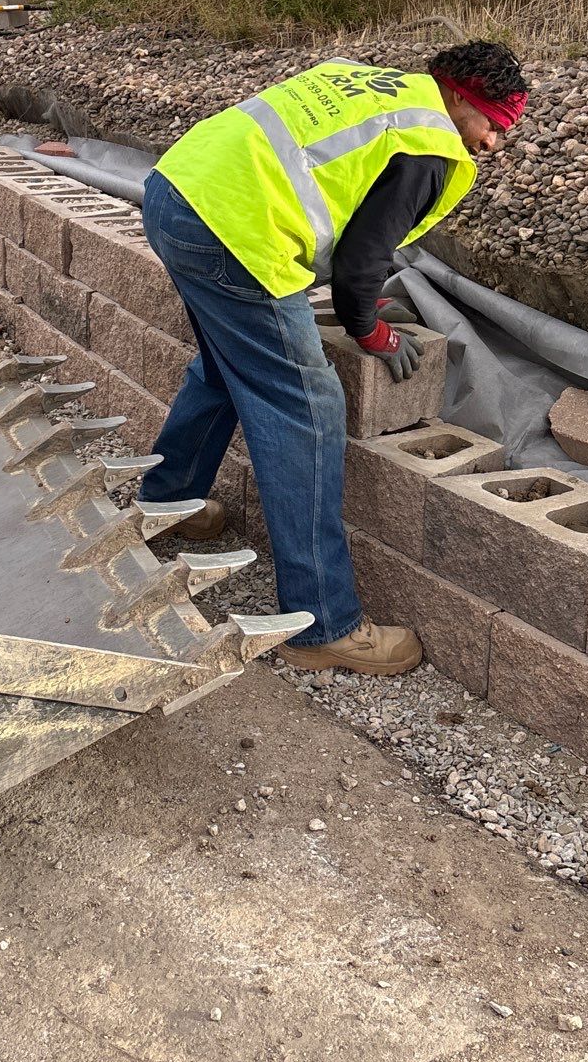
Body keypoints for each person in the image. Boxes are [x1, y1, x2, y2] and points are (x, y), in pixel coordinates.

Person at [140, 41, 528, 676]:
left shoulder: (370, 83)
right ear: (461, 97)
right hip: (238, 234)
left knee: (224, 366)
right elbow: (358, 267)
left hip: (174, 194)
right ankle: (323, 622)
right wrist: (371, 331)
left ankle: (169, 502)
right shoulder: (428, 143)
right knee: (308, 408)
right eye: (492, 124)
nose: (491, 144)